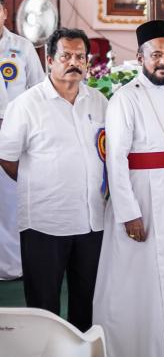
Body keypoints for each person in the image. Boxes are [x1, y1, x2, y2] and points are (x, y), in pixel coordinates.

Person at [93, 20, 164, 357]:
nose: (163, 61)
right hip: (142, 201)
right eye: (156, 55)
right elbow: (116, 160)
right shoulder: (125, 99)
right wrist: (129, 213)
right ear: (141, 57)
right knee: (139, 281)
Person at [0, 28, 106, 331]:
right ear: (49, 60)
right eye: (66, 56)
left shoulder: (99, 101)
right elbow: (7, 157)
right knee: (44, 309)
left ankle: (83, 350)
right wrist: (42, 182)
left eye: (80, 57)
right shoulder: (26, 104)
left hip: (91, 222)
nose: (74, 62)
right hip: (44, 223)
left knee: (87, 305)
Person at [0, 0, 46, 280]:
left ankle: (12, 265)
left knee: (11, 201)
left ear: (4, 12)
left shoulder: (22, 46)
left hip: (13, 131)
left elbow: (37, 89)